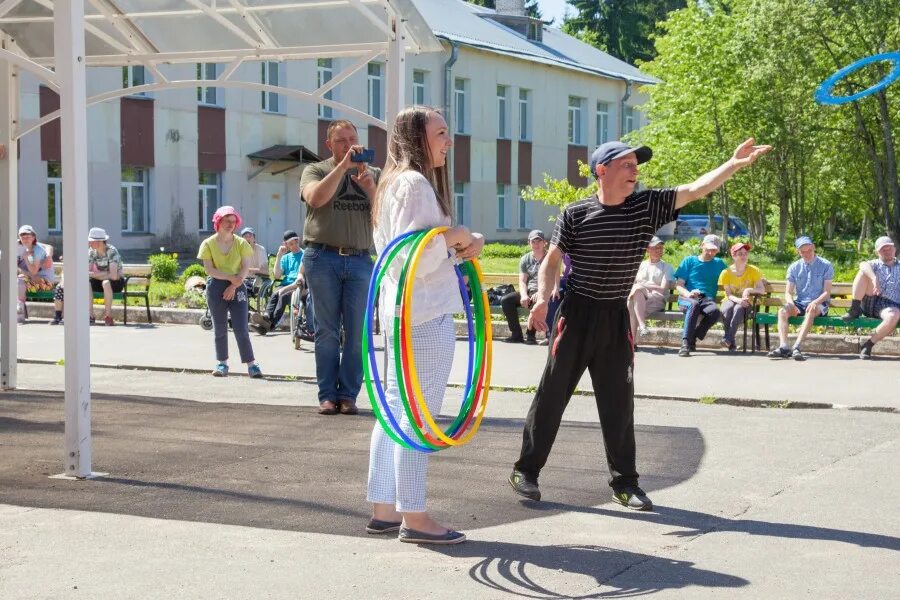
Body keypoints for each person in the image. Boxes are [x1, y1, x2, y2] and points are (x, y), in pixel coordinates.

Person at [507, 138, 771, 510]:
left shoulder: (646, 206)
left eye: (636, 165)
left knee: (618, 403)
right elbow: (552, 260)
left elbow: (697, 188)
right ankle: (526, 470)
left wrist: (732, 164)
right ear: (602, 170)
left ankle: (625, 484)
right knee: (551, 395)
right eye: (627, 164)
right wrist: (541, 298)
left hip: (615, 316)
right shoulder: (575, 213)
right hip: (577, 314)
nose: (635, 171)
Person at [367, 106, 484, 545]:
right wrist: (459, 237)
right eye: (440, 132)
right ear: (417, 137)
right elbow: (412, 257)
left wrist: (456, 245)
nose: (448, 141)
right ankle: (414, 518)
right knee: (417, 416)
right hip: (424, 313)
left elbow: (413, 251)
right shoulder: (414, 183)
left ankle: (384, 508)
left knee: (395, 410)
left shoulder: (392, 183)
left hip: (399, 312)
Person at [299, 120, 380, 416]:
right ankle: (327, 395)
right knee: (327, 331)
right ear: (329, 145)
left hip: (359, 259)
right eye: (342, 140)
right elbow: (316, 197)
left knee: (358, 332)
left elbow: (386, 213)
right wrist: (343, 167)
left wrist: (370, 187)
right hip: (323, 257)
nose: (349, 145)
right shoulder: (316, 170)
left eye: (353, 139)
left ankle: (348, 395)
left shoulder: (372, 173)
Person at [198, 206, 263, 378]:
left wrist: (234, 285)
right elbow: (209, 270)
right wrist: (229, 279)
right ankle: (222, 364)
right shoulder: (208, 243)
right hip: (216, 287)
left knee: (241, 328)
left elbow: (245, 267)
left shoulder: (241, 243)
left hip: (238, 284)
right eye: (227, 220)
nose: (231, 224)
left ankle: (252, 365)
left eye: (234, 221)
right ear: (218, 221)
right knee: (219, 327)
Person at [767, 236, 833, 361]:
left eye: (809, 250)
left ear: (813, 247)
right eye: (803, 252)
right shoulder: (794, 267)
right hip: (800, 302)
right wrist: (791, 304)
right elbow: (788, 292)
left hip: (819, 302)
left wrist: (815, 302)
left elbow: (827, 292)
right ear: (798, 252)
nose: (807, 254)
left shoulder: (826, 265)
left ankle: (797, 347)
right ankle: (784, 347)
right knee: (782, 311)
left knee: (811, 310)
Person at [841, 235, 900, 359]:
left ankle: (868, 344)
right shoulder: (874, 264)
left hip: (890, 305)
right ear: (877, 252)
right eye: (883, 249)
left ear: (894, 249)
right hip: (870, 299)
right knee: (863, 272)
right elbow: (862, 264)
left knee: (894, 315)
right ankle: (854, 308)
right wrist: (874, 279)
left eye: (889, 248)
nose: (887, 251)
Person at [674, 234, 728, 357]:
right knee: (693, 305)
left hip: (706, 299)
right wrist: (689, 293)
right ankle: (686, 343)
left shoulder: (719, 263)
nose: (710, 252)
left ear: (717, 251)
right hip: (687, 298)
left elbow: (735, 273)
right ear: (702, 246)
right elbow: (679, 285)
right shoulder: (689, 261)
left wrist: (759, 278)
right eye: (707, 249)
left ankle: (693, 337)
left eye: (713, 250)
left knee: (714, 312)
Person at [250, 230, 304, 335]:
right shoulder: (285, 257)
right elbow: (277, 275)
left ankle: (270, 325)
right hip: (285, 284)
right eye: (291, 244)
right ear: (286, 245)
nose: (294, 246)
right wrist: (279, 255)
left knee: (283, 296)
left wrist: (286, 288)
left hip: (299, 285)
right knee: (275, 293)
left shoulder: (304, 254)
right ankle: (266, 318)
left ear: (298, 241)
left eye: (295, 242)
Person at [501, 229, 548, 345]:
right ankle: (516, 335)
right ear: (529, 243)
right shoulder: (525, 259)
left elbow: (552, 279)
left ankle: (531, 336)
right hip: (529, 291)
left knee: (536, 301)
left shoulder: (549, 258)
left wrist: (541, 292)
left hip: (544, 292)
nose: (536, 244)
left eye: (539, 241)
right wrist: (523, 295)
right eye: (533, 242)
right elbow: (522, 280)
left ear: (544, 242)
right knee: (506, 300)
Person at [718, 242, 765, 352]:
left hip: (746, 302)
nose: (744, 256)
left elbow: (761, 289)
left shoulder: (753, 270)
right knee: (728, 309)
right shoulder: (726, 273)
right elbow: (729, 294)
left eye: (745, 253)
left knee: (738, 308)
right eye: (740, 254)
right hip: (730, 300)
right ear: (733, 256)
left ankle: (728, 340)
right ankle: (731, 342)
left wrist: (748, 290)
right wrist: (739, 299)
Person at [627, 236, 673, 343]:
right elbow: (632, 284)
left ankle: (631, 343)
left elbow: (662, 289)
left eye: (661, 248)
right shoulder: (640, 265)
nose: (659, 250)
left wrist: (643, 283)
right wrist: (648, 285)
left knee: (632, 302)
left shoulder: (667, 267)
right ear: (647, 249)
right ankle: (641, 329)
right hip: (640, 299)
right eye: (655, 248)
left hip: (657, 300)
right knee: (635, 296)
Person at [15, 225, 56, 324]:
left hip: (46, 284)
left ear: (33, 237)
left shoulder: (38, 250)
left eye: (28, 236)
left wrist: (25, 260)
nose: (25, 239)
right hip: (31, 280)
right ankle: (19, 310)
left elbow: (33, 272)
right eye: (22, 236)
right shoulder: (16, 246)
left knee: (19, 282)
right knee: (15, 282)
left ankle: (20, 312)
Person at [87, 227, 124, 326]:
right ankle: (90, 315)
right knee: (86, 283)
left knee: (106, 282)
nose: (89, 243)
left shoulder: (111, 251)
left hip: (116, 283)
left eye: (91, 241)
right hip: (101, 279)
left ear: (100, 241)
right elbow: (86, 272)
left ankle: (108, 316)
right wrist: (104, 274)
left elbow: (114, 276)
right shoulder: (91, 252)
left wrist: (95, 275)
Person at [240, 227, 270, 296]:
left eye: (250, 236)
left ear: (254, 239)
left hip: (257, 280)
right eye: (245, 236)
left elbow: (265, 270)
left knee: (241, 288)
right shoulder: (239, 250)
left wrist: (247, 269)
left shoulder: (260, 249)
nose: (248, 238)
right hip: (242, 279)